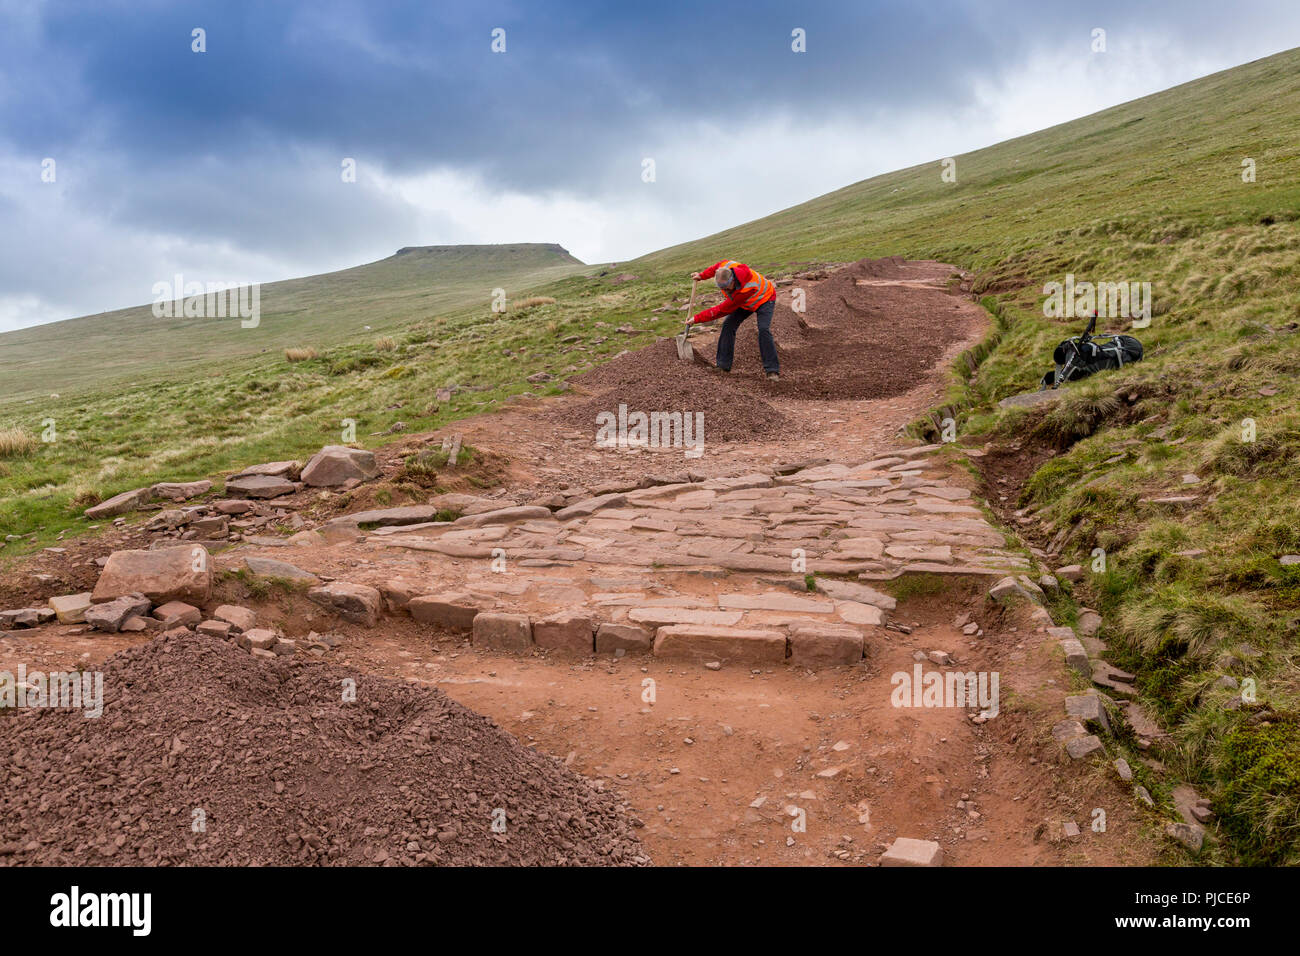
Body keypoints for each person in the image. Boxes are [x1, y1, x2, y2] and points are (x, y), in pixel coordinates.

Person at [689, 259, 780, 381]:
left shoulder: (745, 289)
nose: (724, 290)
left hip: (765, 299)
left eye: (726, 287)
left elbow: (721, 310)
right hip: (746, 303)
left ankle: (772, 371)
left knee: (763, 329)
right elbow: (715, 268)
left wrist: (696, 318)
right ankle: (723, 366)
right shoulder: (726, 267)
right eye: (721, 287)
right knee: (728, 325)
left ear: (732, 280)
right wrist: (701, 276)